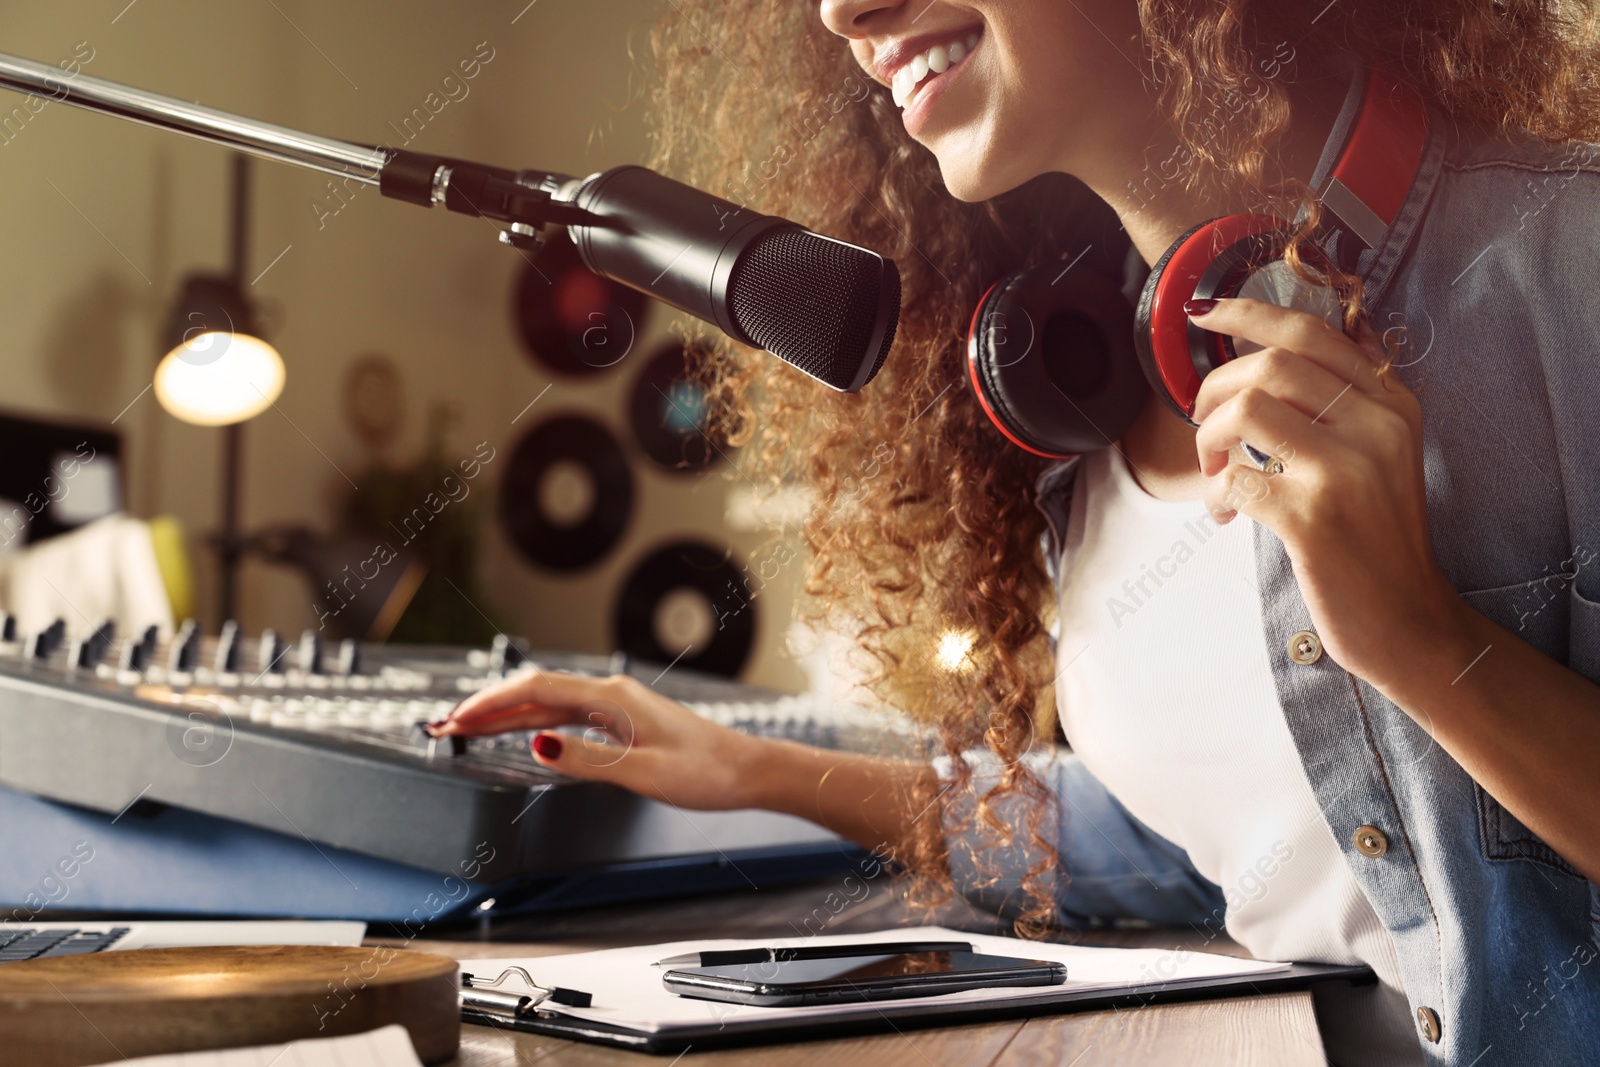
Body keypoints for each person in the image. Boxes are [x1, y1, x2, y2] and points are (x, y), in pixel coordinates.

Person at [434, 2, 1600, 1062]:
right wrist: (751, 768)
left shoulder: (1573, 261)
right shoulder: (1078, 382)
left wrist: (1417, 637)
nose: (845, 13)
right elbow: (1219, 826)